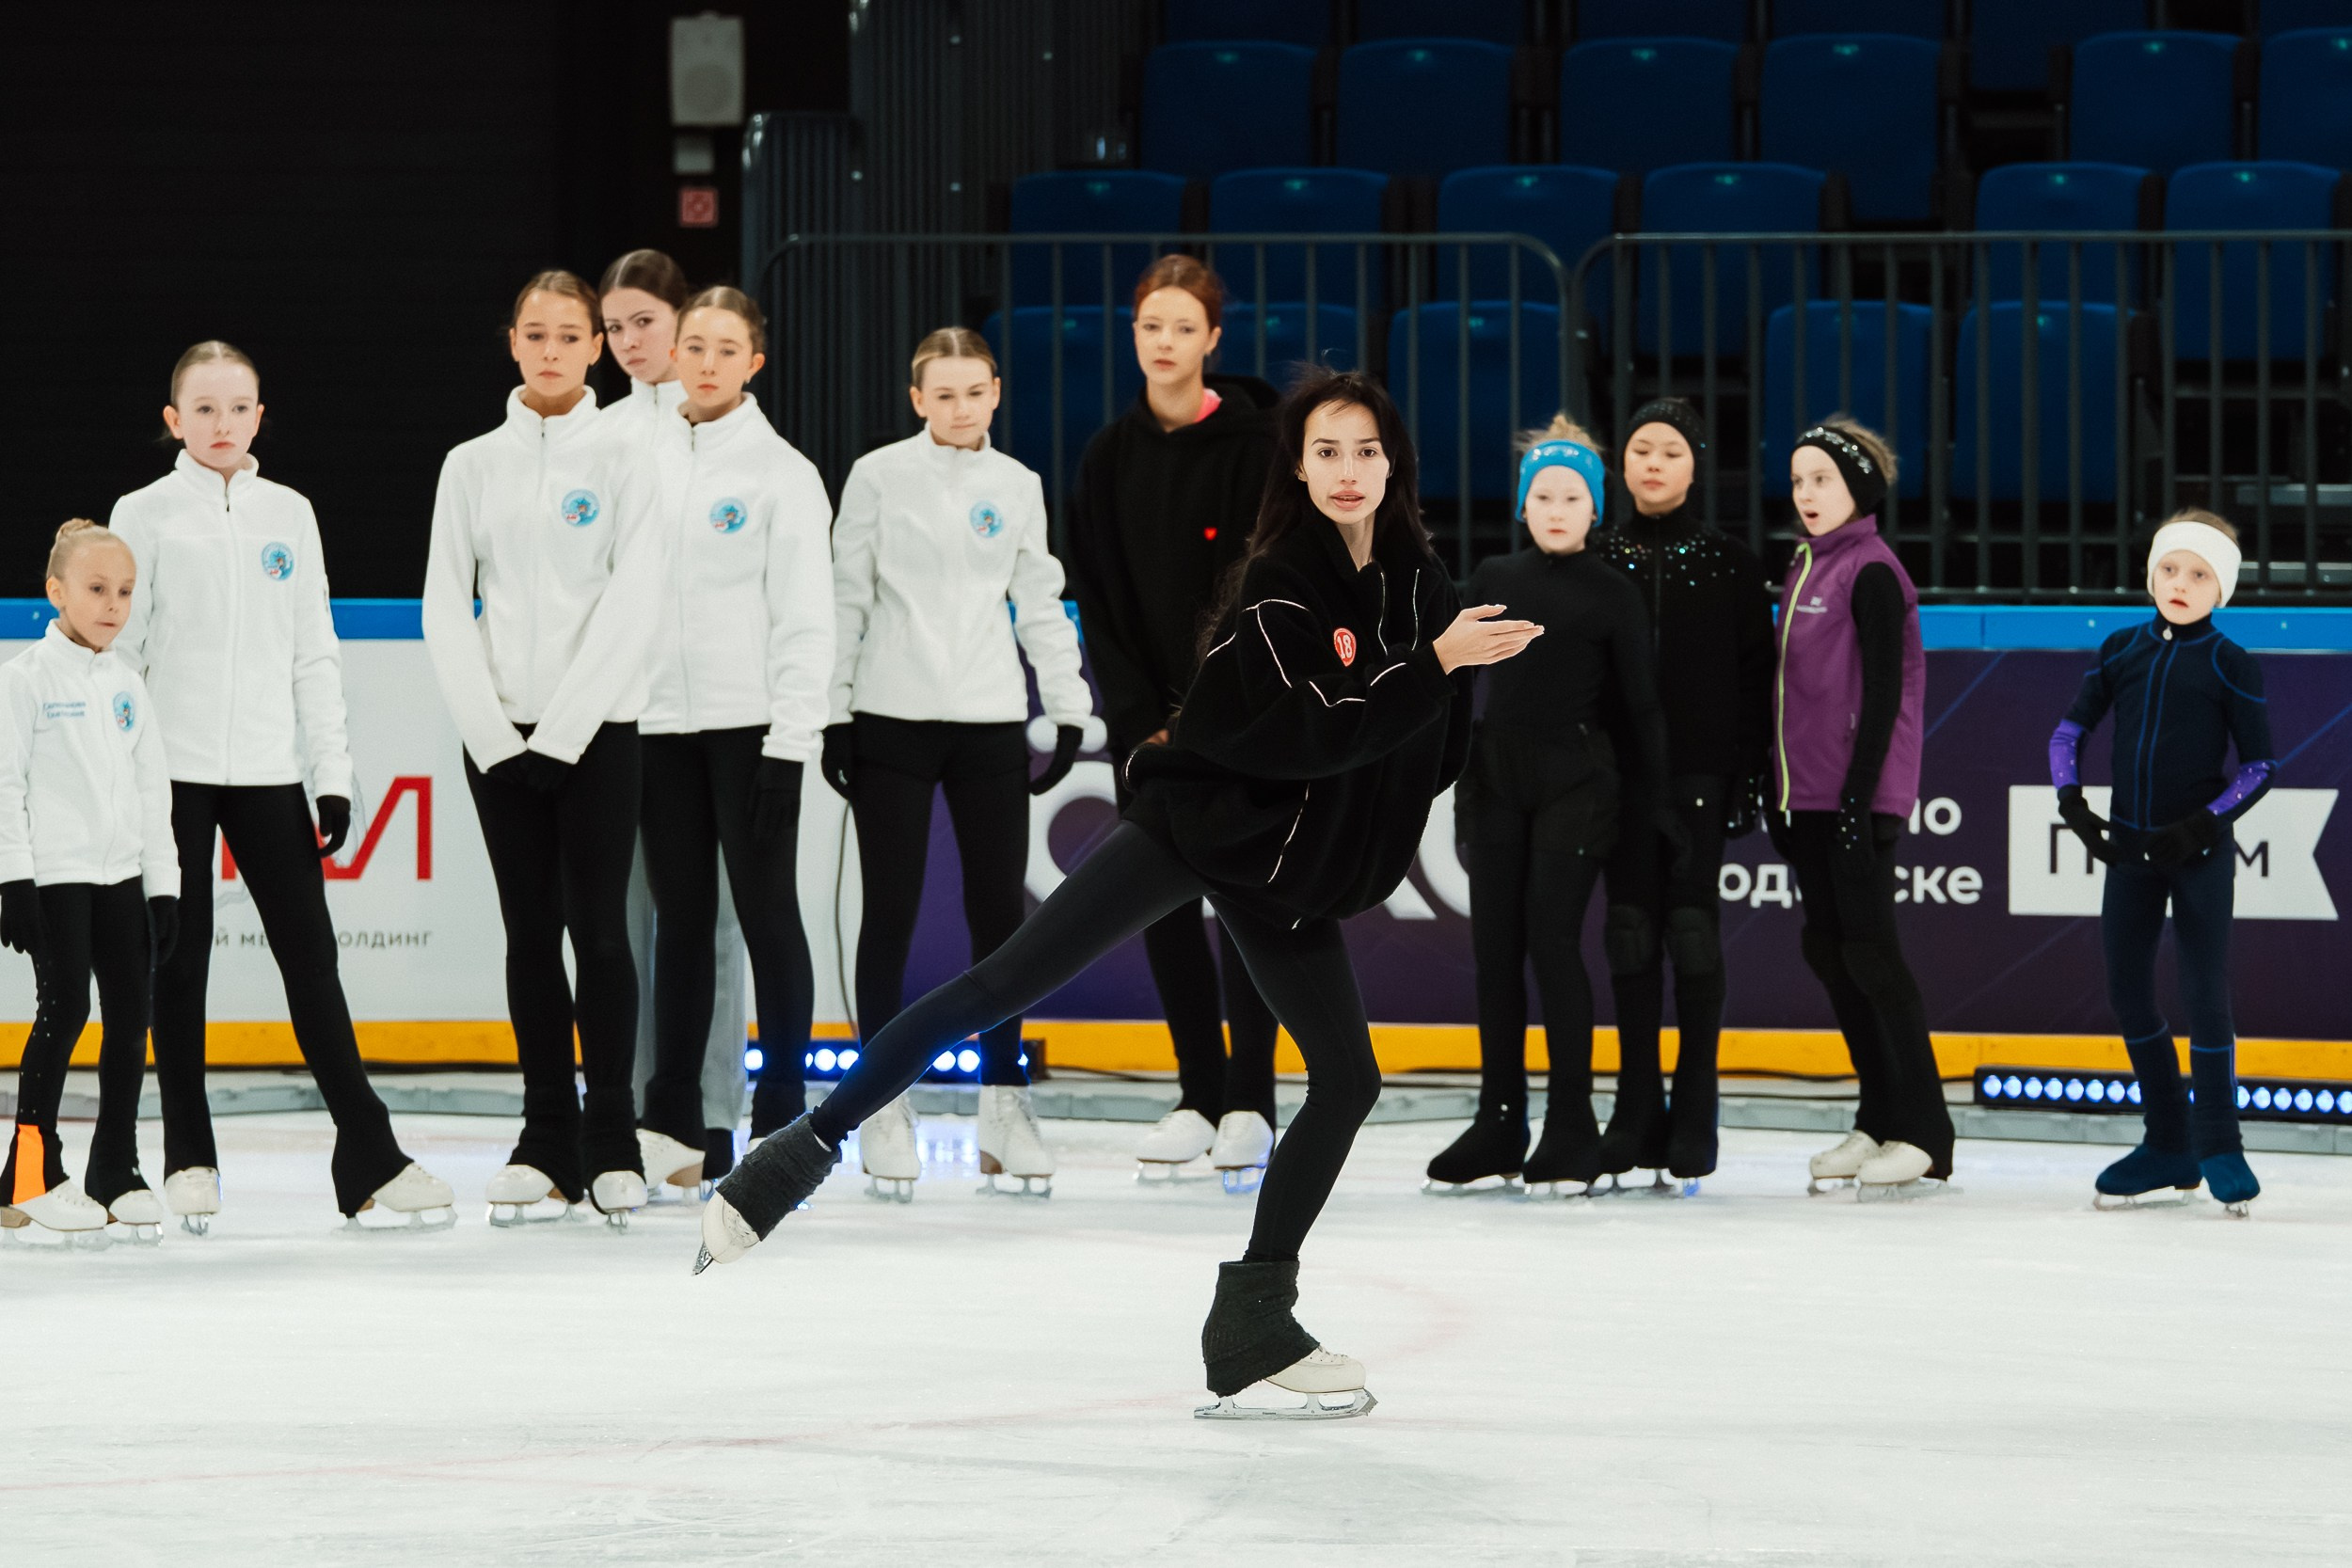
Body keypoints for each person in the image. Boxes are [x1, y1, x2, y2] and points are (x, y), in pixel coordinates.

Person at [702, 369, 1540, 1420]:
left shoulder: (1421, 587)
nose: (1347, 471)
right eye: (1325, 451)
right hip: (1200, 829)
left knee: (1347, 1077)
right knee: (998, 983)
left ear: (1393, 464)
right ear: (1296, 464)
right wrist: (1432, 668)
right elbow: (1306, 732)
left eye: (1365, 451)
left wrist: (1438, 668)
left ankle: (1252, 1318)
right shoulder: (1282, 581)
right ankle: (795, 1154)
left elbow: (1417, 742)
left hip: (1282, 867)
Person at [110, 341, 453, 1233]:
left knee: (313, 960)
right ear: (173, 419)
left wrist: (331, 775)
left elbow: (313, 652)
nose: (223, 424)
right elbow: (127, 657)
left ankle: (369, 1150)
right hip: (173, 778)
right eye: (205, 407)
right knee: (176, 965)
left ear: (261, 416)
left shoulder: (290, 514)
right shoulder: (142, 515)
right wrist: (133, 783)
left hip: (270, 776)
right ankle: (187, 1152)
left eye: (239, 406)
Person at [818, 325, 1092, 1200]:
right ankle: (879, 1102)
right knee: (890, 909)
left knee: (997, 919)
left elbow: (1039, 599)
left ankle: (1004, 1103)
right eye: (943, 394)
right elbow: (846, 596)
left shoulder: (1017, 486)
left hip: (987, 722)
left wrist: (1069, 707)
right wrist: (832, 710)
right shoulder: (877, 477)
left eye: (974, 392)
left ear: (996, 393)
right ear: (916, 398)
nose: (960, 407)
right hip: (890, 719)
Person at [422, 270, 660, 1227]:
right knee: (529, 935)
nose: (554, 349)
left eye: (571, 334)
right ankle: (543, 1135)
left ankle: (612, 1136)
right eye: (536, 333)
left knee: (599, 930)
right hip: (500, 741)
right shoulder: (469, 463)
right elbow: (446, 601)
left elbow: (635, 596)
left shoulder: (627, 455)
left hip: (597, 732)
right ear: (513, 343)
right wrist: (494, 733)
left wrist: (563, 733)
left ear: (595, 347)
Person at [1065, 256, 1282, 1187]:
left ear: (1212, 340)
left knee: (1246, 900)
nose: (1165, 343)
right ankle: (1197, 1091)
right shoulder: (1107, 455)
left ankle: (1250, 1099)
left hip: (1240, 716)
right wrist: (1141, 718)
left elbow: (1260, 584)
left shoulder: (1256, 443)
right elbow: (1099, 600)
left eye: (1182, 328)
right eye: (1150, 326)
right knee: (1162, 901)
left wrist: (1211, 708)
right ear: (1134, 334)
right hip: (1146, 725)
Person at [1423, 416, 1673, 1196]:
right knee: (1495, 950)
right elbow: (1457, 683)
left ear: (1595, 507)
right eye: (1543, 494)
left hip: (1577, 781)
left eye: (1572, 495)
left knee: (1553, 942)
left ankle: (1572, 1122)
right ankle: (1501, 1117)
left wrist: (1658, 811)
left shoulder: (1614, 592)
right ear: (1523, 506)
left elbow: (1642, 711)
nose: (1557, 507)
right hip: (1497, 774)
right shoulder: (1495, 576)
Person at [634, 286, 832, 1200]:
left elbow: (804, 618)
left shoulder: (782, 471)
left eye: (728, 348)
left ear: (755, 361)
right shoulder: (634, 453)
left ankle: (785, 1111)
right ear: (674, 352)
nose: (707, 361)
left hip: (752, 729)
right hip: (657, 727)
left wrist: (790, 742)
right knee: (678, 927)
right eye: (695, 344)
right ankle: (673, 1114)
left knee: (764, 916)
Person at [2049, 509, 2275, 1216]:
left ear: (2221, 590)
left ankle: (2221, 1143)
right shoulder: (2121, 647)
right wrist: (2074, 805)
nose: (2181, 583)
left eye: (2200, 574)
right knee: (2127, 989)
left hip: (2198, 854)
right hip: (2131, 848)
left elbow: (2261, 765)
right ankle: (2169, 1140)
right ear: (2152, 574)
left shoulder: (2228, 662)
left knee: (2205, 994)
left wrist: (2205, 823)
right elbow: (2070, 729)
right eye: (2171, 568)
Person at [600, 248, 754, 1188]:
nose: (628, 342)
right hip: (621, 713)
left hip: (713, 719)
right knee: (624, 920)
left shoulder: (729, 436)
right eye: (613, 326)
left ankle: (710, 1109)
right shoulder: (606, 433)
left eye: (642, 323)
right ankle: (620, 1110)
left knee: (715, 921)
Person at [1593, 399, 1773, 1188]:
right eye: (1640, 449)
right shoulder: (1597, 558)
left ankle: (1696, 1115)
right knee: (1630, 936)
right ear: (1621, 466)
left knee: (1693, 937)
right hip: (1619, 784)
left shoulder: (1730, 561)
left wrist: (1749, 772)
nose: (1654, 462)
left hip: (1700, 779)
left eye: (1670, 449)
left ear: (1695, 464)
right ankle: (1635, 1112)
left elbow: (1754, 675)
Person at [1768, 421, 1950, 1197]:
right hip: (1803, 795)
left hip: (1855, 799)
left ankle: (1928, 1131)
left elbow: (1885, 695)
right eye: (1799, 479)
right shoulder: (1805, 564)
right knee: (1832, 950)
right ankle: (1880, 1116)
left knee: (1873, 953)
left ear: (1858, 490)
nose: (1807, 494)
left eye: (1823, 481)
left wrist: (1857, 799)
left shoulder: (1873, 571)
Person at [0, 522, 179, 1245]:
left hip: (120, 876)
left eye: (126, 591)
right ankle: (33, 1173)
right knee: (66, 1007)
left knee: (131, 1015)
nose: (113, 604)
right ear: (57, 592)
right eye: (97, 588)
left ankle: (115, 1168)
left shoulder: (127, 682)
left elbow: (151, 787)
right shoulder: (24, 678)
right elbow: (4, 782)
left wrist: (161, 885)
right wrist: (14, 877)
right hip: (57, 876)